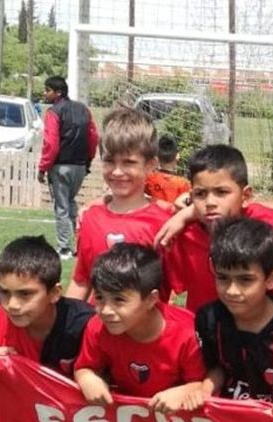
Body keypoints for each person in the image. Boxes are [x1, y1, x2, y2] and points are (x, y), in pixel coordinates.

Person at [154, 217, 273, 411]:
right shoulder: (208, 318)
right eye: (223, 278)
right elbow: (218, 368)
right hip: (228, 420)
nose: (232, 290)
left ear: (271, 279)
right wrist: (205, 390)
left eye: (245, 280)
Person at [160, 145, 273, 313]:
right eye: (200, 194)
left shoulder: (272, 228)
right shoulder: (181, 234)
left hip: (263, 335)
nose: (210, 202)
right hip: (207, 334)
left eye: (221, 192)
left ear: (245, 196)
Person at [73, 243, 204, 405]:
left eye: (119, 300)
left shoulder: (187, 333)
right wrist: (87, 378)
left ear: (151, 299)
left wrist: (185, 391)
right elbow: (84, 367)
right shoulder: (98, 327)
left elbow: (205, 384)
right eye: (99, 297)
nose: (106, 310)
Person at [65, 108, 171, 302]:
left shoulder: (165, 222)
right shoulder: (90, 217)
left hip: (144, 330)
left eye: (129, 162)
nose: (117, 171)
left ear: (150, 164)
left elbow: (169, 290)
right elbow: (81, 281)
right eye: (109, 161)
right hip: (97, 327)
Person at [0, 235, 95, 377]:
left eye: (25, 294)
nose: (12, 305)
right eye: (5, 292)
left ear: (54, 293)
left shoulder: (87, 326)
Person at [38, 75, 99, 260]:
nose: (45, 93)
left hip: (61, 166)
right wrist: (87, 161)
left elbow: (51, 143)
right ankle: (81, 245)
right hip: (79, 166)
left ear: (58, 93)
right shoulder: (83, 110)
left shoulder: (54, 112)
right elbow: (93, 137)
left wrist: (43, 167)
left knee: (62, 207)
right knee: (71, 203)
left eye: (47, 90)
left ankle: (64, 248)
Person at [144, 135, 191, 209]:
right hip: (174, 218)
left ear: (157, 157)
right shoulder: (183, 184)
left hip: (153, 216)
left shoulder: (150, 178)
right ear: (177, 156)